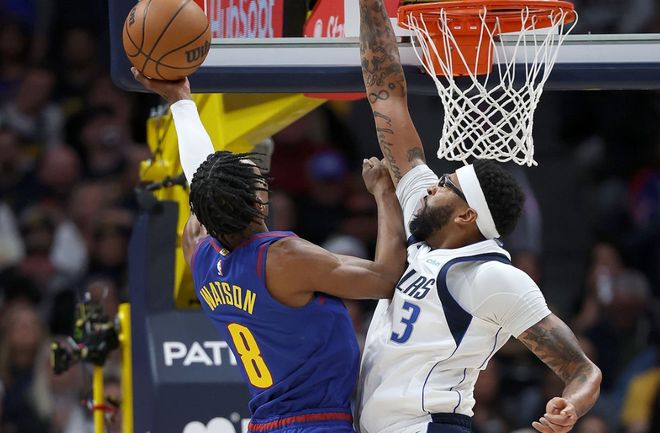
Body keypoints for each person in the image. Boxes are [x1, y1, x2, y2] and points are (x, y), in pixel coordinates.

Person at [356, 2, 603, 433]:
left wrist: (572, 406)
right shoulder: (424, 219)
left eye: (444, 185)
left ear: (466, 215)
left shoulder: (491, 277)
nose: (431, 186)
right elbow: (386, 97)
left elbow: (583, 369)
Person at [131, 68, 407, 433]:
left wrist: (181, 102)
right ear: (259, 202)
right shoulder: (283, 258)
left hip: (267, 423)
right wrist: (385, 195)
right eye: (256, 175)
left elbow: (201, 179)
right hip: (315, 423)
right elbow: (385, 279)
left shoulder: (197, 250)